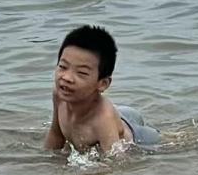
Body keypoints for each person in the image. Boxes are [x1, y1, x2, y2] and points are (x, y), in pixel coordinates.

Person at [44, 24, 160, 154]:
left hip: (138, 134)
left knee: (170, 141)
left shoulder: (103, 121)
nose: (67, 78)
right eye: (63, 67)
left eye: (81, 73)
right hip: (120, 112)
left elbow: (114, 163)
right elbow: (56, 134)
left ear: (102, 83)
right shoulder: (60, 95)